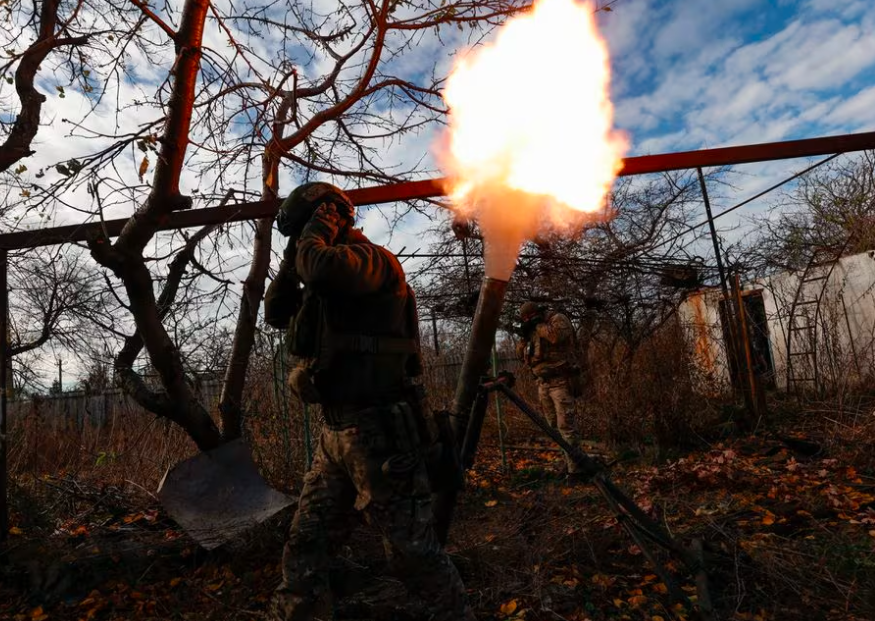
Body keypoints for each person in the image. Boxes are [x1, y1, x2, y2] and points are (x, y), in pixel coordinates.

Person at [263, 182, 475, 621]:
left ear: (329, 220)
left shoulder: (370, 261)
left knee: (411, 554)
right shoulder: (322, 274)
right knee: (307, 544)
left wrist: (318, 226)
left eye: (307, 231)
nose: (303, 243)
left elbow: (320, 267)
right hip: (335, 436)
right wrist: (289, 258)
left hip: (381, 433)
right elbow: (275, 309)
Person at [516, 301, 583, 478]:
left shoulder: (557, 319)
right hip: (543, 383)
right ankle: (567, 465)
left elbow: (555, 337)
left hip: (561, 381)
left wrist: (537, 325)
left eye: (529, 318)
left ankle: (576, 470)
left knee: (566, 426)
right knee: (552, 427)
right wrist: (523, 337)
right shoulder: (531, 329)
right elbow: (520, 354)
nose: (527, 321)